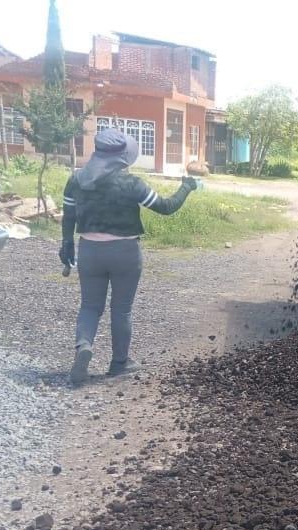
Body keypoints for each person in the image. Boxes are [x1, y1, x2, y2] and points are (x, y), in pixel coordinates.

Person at [60, 128, 198, 386]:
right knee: (121, 309)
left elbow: (68, 216)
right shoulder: (131, 184)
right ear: (122, 156)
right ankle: (119, 363)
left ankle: (83, 347)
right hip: (125, 253)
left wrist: (67, 243)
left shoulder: (76, 180)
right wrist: (186, 188)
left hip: (89, 251)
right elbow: (166, 208)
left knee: (90, 306)